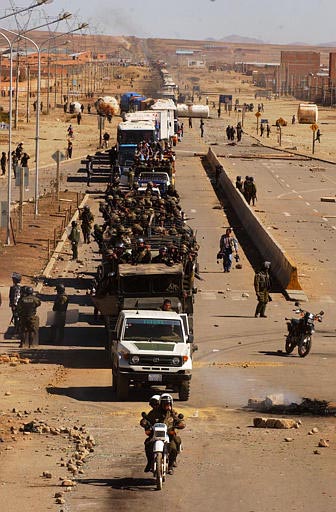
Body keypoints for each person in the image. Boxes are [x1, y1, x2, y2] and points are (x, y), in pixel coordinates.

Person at [140, 393, 185, 474]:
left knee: (173, 448)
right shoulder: (154, 412)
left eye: (168, 403)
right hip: (156, 434)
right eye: (164, 403)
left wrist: (180, 425)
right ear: (161, 403)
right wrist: (144, 423)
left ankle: (170, 466)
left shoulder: (172, 413)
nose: (167, 405)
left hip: (168, 435)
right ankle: (149, 462)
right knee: (148, 444)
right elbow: (147, 419)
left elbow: (179, 421)